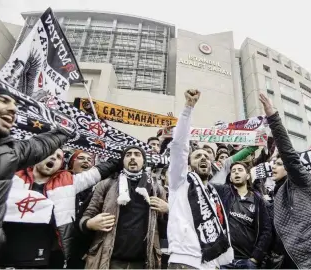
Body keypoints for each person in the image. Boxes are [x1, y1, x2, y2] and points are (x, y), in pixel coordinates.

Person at [0, 77, 74, 269]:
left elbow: (39, 146)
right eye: (2, 100)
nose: (13, 109)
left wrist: (66, 130)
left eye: (15, 104)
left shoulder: (8, 152)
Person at [258, 93, 311, 269]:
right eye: (274, 163)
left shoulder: (302, 181)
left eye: (279, 164)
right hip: (292, 262)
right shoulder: (276, 195)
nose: (273, 167)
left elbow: (288, 153)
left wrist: (273, 118)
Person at [0, 149, 119, 269]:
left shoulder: (68, 183)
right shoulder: (11, 178)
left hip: (46, 257)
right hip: (2, 255)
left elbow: (100, 171)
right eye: (49, 153)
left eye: (59, 157)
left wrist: (122, 156)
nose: (54, 157)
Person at [167, 89, 234, 269]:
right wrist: (188, 108)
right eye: (197, 156)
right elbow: (179, 146)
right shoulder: (179, 181)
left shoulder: (213, 192)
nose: (203, 157)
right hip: (185, 260)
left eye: (206, 155)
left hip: (212, 263)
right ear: (188, 165)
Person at [81, 145, 168, 269]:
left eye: (137, 154)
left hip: (144, 262)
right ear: (123, 161)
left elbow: (166, 227)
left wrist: (168, 210)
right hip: (109, 260)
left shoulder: (156, 189)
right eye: (128, 155)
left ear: (144, 161)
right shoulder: (106, 184)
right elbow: (88, 214)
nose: (132, 157)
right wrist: (89, 223)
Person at [220, 162, 272, 269]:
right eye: (233, 171)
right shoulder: (224, 194)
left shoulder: (258, 200)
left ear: (248, 176)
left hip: (247, 261)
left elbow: (266, 230)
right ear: (230, 178)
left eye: (240, 170)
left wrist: (255, 258)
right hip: (225, 261)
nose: (236, 173)